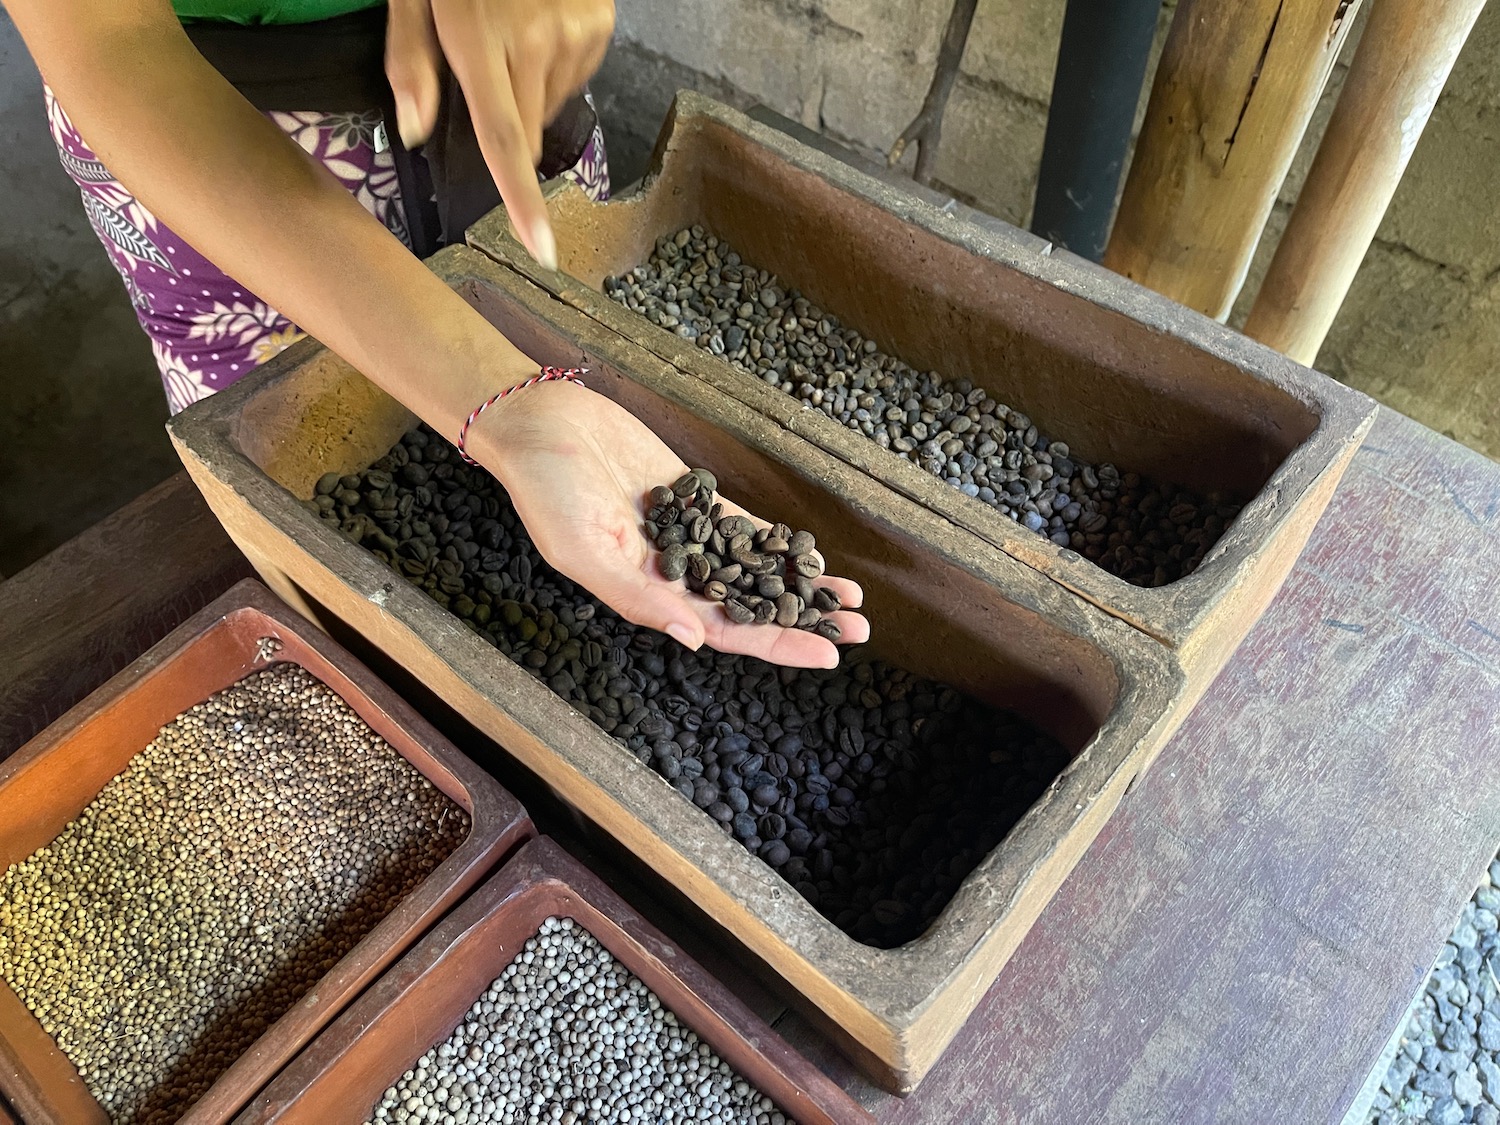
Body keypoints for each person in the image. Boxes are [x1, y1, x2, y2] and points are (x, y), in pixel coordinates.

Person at [5, 0, 868, 668]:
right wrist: (521, 415)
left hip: (504, 86)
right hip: (222, 160)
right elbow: (111, 41)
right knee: (327, 521)